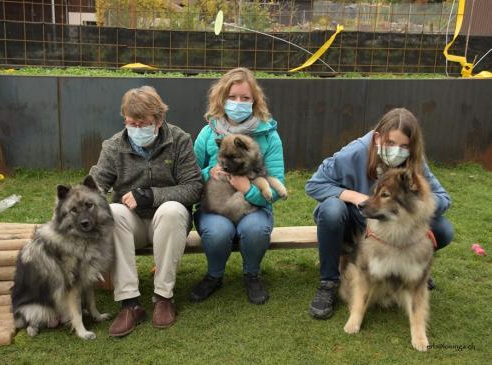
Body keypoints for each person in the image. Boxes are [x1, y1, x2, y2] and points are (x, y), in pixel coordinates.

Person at [305, 107, 454, 320]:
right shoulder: (355, 152)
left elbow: (442, 197)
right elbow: (314, 184)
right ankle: (328, 282)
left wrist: (418, 213)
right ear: (377, 138)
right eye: (391, 143)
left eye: (404, 146)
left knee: (443, 229)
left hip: (389, 226)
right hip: (355, 218)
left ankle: (410, 273)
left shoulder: (415, 162)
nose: (397, 150)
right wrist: (356, 198)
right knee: (331, 210)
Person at [89, 86, 202, 336]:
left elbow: (194, 187)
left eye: (143, 123)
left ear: (159, 120)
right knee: (114, 212)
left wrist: (152, 195)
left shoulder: (179, 140)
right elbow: (94, 186)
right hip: (134, 224)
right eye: (131, 123)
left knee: (172, 210)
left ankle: (164, 297)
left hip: (169, 222)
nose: (137, 129)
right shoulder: (112, 147)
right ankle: (129, 303)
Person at [190, 67, 286, 305]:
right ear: (222, 99)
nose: (238, 103)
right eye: (232, 97)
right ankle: (214, 275)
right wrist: (207, 172)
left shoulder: (269, 136)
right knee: (217, 231)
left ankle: (251, 274)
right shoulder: (207, 133)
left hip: (255, 206)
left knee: (255, 229)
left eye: (245, 98)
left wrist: (248, 189)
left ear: (255, 101)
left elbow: (275, 184)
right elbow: (188, 175)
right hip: (215, 204)